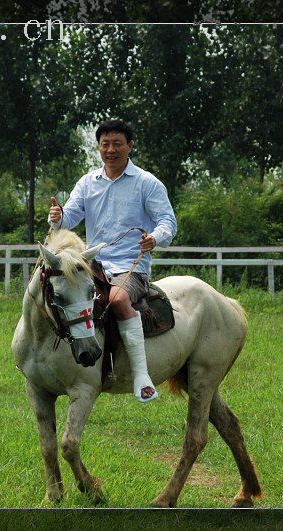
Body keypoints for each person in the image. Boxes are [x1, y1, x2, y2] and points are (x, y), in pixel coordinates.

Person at [48, 119, 177, 403]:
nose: (111, 150)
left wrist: (154, 238)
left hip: (131, 267)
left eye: (117, 143)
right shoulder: (87, 182)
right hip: (93, 266)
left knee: (118, 300)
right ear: (98, 148)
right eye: (105, 144)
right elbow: (69, 218)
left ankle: (142, 377)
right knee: (59, 297)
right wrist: (57, 217)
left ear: (130, 146)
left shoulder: (147, 183)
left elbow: (168, 221)